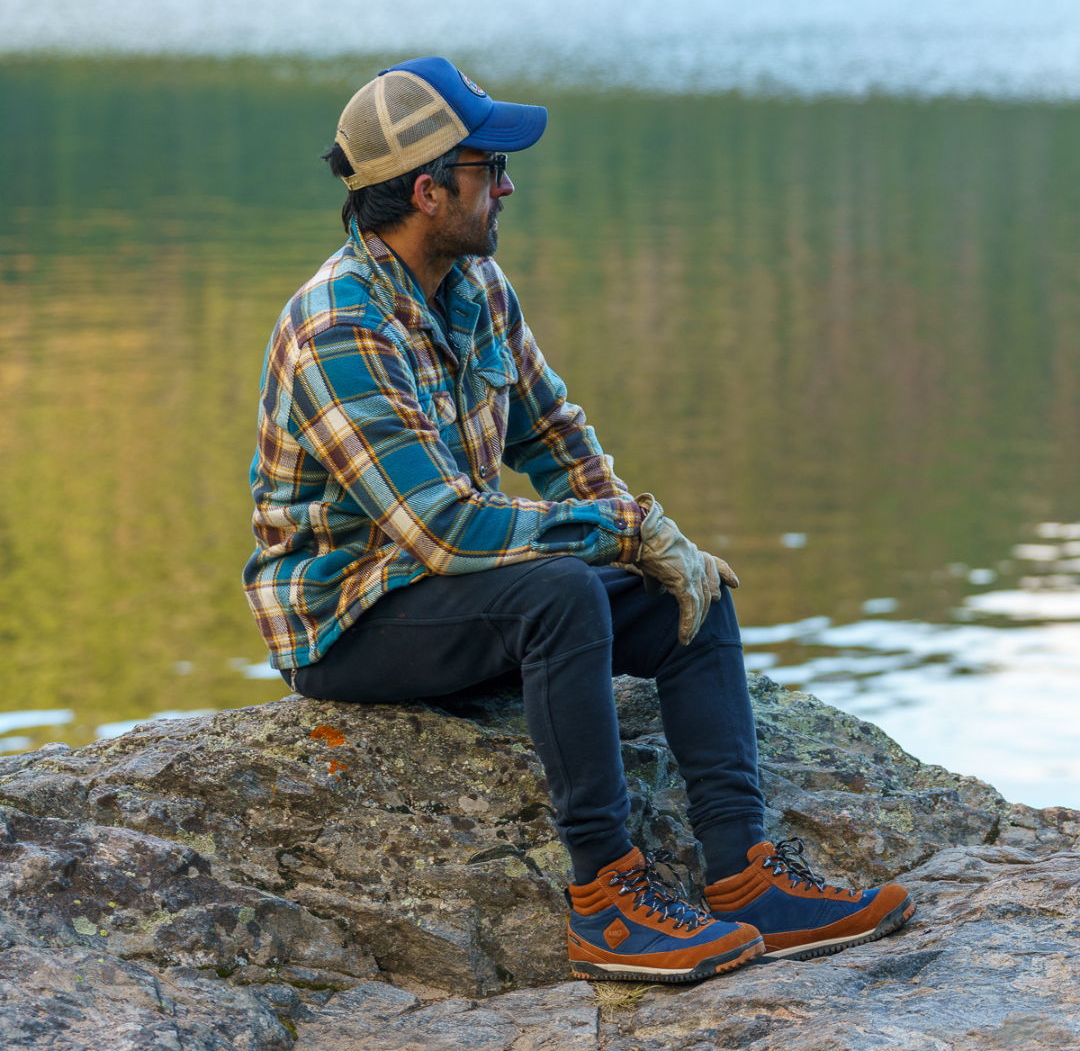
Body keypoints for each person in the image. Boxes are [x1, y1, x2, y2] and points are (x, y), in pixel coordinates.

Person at [243, 56, 915, 983]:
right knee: (560, 593)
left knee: (690, 590)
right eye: (489, 168)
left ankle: (745, 877)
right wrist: (622, 533)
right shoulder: (338, 327)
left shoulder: (476, 286)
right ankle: (606, 901)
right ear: (430, 192)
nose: (508, 186)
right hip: (348, 621)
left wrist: (648, 541)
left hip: (451, 591)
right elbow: (442, 528)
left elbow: (552, 430)